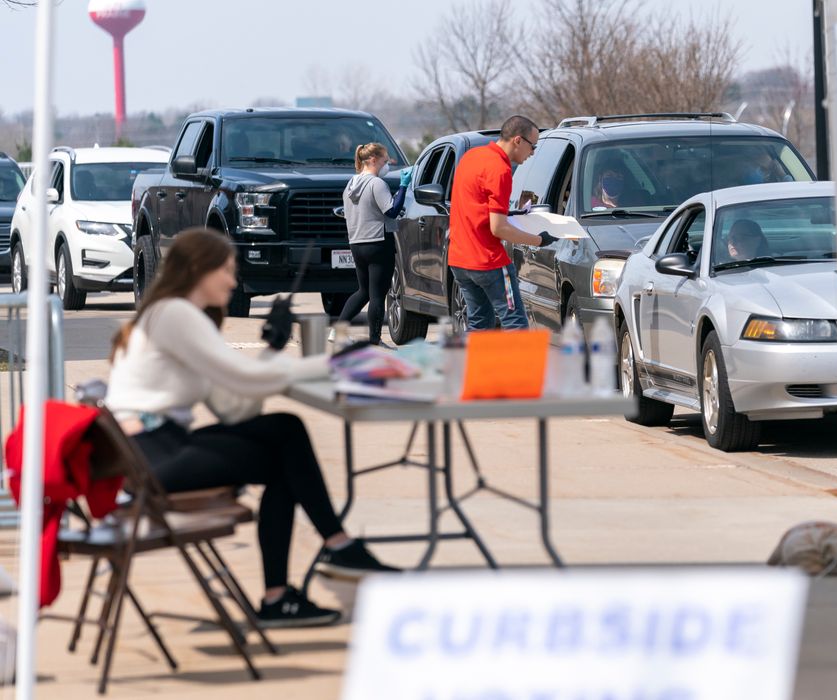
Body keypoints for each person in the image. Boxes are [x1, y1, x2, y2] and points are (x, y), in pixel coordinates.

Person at [105, 228, 397, 629]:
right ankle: (334, 548)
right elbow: (244, 385)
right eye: (225, 270)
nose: (232, 280)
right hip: (152, 457)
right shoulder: (174, 314)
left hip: (158, 449)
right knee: (285, 437)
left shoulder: (177, 315)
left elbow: (234, 408)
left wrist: (274, 349)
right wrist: (336, 364)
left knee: (284, 438)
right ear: (196, 270)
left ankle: (294, 585)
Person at [448, 115, 555, 331]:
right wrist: (538, 240)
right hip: (490, 264)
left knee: (479, 324)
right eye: (532, 146)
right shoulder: (500, 170)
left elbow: (474, 205)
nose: (533, 152)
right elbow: (498, 228)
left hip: (460, 261)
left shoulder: (471, 157)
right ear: (518, 140)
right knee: (515, 323)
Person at [339, 143, 397, 345]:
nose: (387, 164)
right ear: (373, 160)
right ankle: (375, 339)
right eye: (384, 160)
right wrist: (404, 189)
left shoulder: (350, 184)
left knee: (363, 291)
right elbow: (391, 211)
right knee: (378, 294)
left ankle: (338, 331)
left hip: (357, 243)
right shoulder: (376, 184)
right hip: (379, 242)